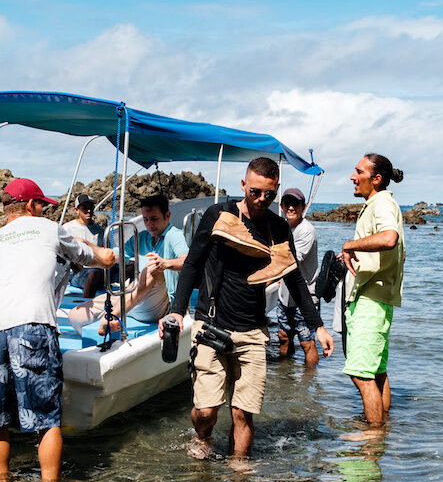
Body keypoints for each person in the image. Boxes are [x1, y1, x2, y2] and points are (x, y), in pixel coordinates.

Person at [0, 178, 115, 482]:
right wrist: (103, 254)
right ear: (31, 205)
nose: (44, 210)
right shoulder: (49, 228)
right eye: (42, 205)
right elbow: (92, 257)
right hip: (33, 328)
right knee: (46, 418)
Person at [163, 158, 334, 460]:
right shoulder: (218, 215)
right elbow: (192, 263)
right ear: (243, 185)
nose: (262, 199)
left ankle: (239, 473)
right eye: (255, 192)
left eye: (269, 194)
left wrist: (317, 325)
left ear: (276, 190)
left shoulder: (278, 227)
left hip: (253, 331)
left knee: (243, 413)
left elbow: (294, 278)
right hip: (211, 325)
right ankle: (202, 437)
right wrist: (177, 310)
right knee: (206, 411)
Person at [339, 153, 404, 427]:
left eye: (359, 172)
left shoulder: (381, 204)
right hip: (377, 299)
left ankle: (372, 439)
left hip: (370, 301)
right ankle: (382, 429)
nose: (353, 177)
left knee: (361, 375)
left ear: (376, 179)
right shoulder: (380, 204)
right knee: (376, 372)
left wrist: (350, 245)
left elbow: (390, 238)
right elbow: (398, 251)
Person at [67, 194, 187, 335]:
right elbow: (111, 256)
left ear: (167, 216)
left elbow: (187, 261)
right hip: (136, 298)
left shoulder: (174, 235)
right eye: (145, 219)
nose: (149, 224)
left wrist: (165, 263)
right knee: (75, 315)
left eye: (154, 219)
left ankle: (112, 316)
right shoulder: (142, 236)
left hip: (161, 305)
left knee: (152, 268)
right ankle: (108, 331)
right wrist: (85, 243)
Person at [276, 187, 321, 366]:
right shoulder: (281, 227)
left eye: (295, 204)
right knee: (283, 337)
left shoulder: (306, 230)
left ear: (304, 206)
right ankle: (283, 375)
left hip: (305, 297)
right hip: (285, 296)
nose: (291, 208)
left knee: (307, 343)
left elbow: (291, 261)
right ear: (281, 206)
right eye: (287, 203)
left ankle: (309, 379)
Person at [63, 193, 105, 295]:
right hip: (77, 274)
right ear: (76, 210)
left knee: (130, 267)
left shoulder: (101, 231)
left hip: (100, 271)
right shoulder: (67, 229)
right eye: (84, 208)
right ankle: (87, 302)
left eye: (90, 207)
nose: (88, 210)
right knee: (93, 273)